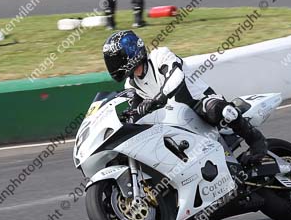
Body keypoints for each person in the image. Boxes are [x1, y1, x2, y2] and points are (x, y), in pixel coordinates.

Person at [102, 31, 268, 165]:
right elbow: (135, 111)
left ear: (130, 53)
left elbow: (176, 77)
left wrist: (157, 99)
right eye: (111, 61)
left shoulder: (160, 56)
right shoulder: (131, 85)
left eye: (116, 59)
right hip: (172, 121)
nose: (113, 65)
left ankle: (256, 140)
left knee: (218, 110)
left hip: (198, 103)